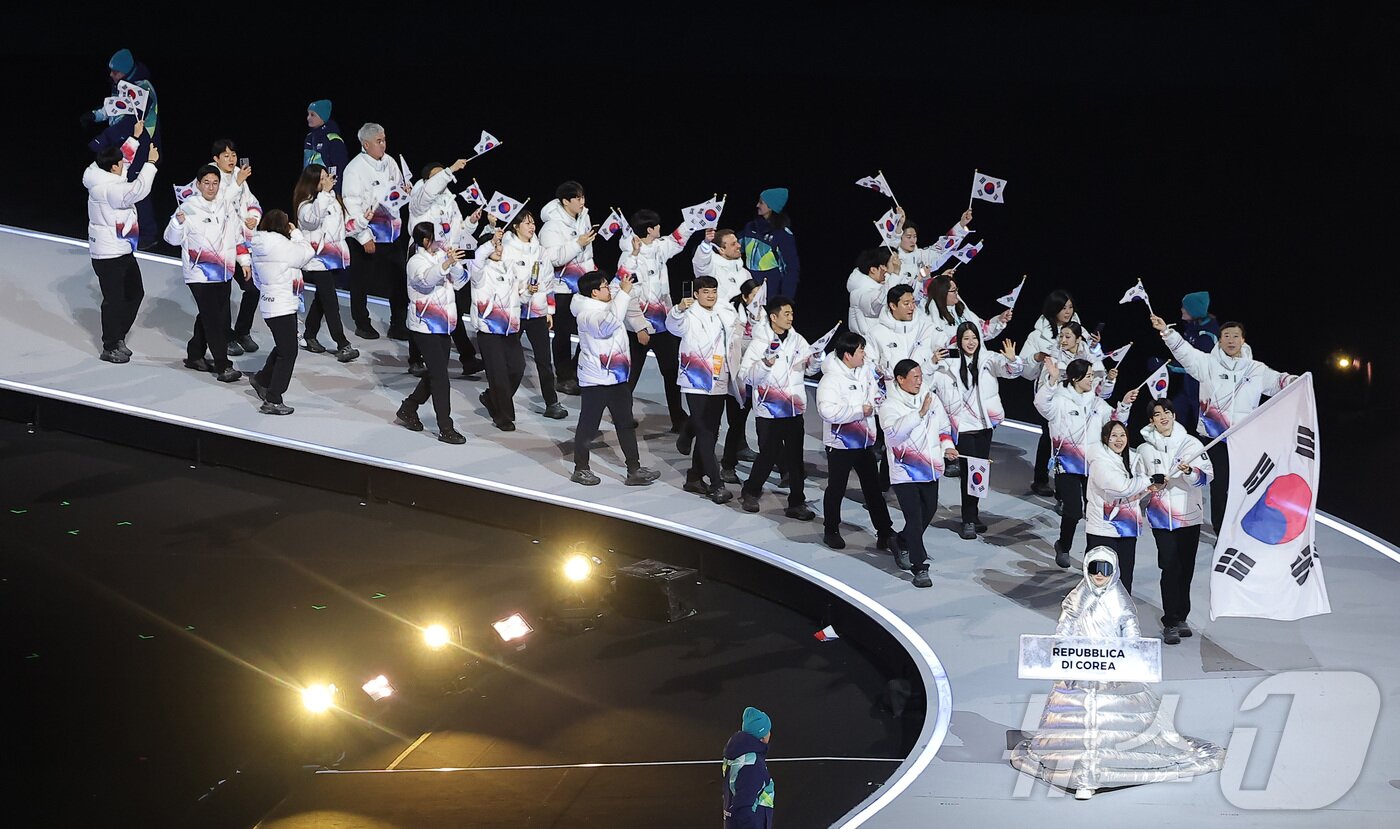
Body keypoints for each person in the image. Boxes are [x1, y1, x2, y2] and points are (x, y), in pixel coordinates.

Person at [1009, 545, 1226, 800]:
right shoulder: (1077, 597)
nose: (1099, 575)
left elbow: (1131, 631)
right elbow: (1064, 628)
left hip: (1113, 671)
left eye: (1105, 570)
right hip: (1080, 669)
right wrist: (1063, 652)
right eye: (1094, 569)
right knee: (1077, 719)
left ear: (1114, 571)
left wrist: (1127, 655)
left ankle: (1100, 770)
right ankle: (1082, 773)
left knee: (1112, 720)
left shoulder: (1119, 600)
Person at [1151, 313, 1296, 533]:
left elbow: (1278, 382)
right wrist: (1167, 333)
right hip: (1215, 439)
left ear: (1243, 340)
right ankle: (1222, 532)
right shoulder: (1207, 364)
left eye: (1235, 336)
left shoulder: (1256, 369)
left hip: (1244, 440)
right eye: (1226, 336)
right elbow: (1184, 352)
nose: (1230, 340)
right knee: (1220, 489)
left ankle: (1241, 529)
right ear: (1219, 340)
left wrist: (1296, 381)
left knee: (1245, 486)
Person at [1036, 359, 1136, 568]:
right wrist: (1052, 380)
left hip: (1094, 466)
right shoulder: (1060, 401)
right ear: (1075, 378)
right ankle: (1063, 546)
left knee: (1094, 514)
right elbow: (1041, 404)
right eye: (1089, 375)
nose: (1093, 379)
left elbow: (1115, 421)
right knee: (1073, 510)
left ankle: (1094, 557)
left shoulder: (1097, 403)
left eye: (1092, 375)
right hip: (1067, 465)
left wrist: (1125, 403)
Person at [929, 322, 1023, 539]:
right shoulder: (947, 365)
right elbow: (927, 382)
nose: (971, 343)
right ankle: (968, 519)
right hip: (962, 428)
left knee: (979, 473)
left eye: (974, 338)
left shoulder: (988, 359)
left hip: (984, 425)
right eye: (966, 339)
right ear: (959, 342)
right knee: (970, 471)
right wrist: (932, 362)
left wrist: (1012, 359)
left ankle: (973, 514)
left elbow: (1011, 372)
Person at [569, 271, 660, 487]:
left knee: (626, 423)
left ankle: (634, 469)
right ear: (594, 292)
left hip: (617, 379)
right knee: (588, 426)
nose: (609, 289)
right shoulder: (586, 314)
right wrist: (623, 295)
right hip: (596, 380)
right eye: (604, 287)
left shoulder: (608, 305)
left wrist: (626, 289)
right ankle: (580, 468)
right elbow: (608, 324)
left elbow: (620, 306)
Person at [1137, 399, 1214, 644]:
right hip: (1161, 518)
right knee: (1169, 567)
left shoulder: (1191, 444)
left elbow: (1207, 478)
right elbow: (1138, 481)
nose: (1163, 418)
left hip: (1189, 517)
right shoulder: (1144, 450)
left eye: (1167, 413)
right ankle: (1170, 621)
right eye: (1157, 415)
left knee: (1186, 568)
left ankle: (1182, 616)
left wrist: (1191, 472)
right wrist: (1152, 482)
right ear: (1151, 421)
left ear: (1174, 415)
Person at [83, 119, 158, 363]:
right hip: (109, 254)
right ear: (113, 168)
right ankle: (109, 346)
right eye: (120, 165)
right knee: (114, 300)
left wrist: (135, 139)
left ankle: (118, 336)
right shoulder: (110, 190)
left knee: (136, 293)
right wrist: (150, 164)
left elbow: (123, 160)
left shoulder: (100, 174)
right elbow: (139, 189)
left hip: (122, 248)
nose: (123, 166)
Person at [816, 331, 898, 552]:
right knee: (837, 487)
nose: (864, 354)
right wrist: (857, 411)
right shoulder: (831, 379)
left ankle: (885, 532)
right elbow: (827, 411)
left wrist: (884, 386)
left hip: (864, 442)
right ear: (847, 355)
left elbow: (876, 398)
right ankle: (831, 529)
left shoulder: (865, 373)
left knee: (872, 489)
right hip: (840, 444)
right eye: (861, 350)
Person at [880, 359, 958, 588]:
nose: (919, 380)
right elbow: (893, 436)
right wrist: (919, 413)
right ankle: (919, 566)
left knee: (928, 512)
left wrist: (947, 448)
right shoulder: (889, 406)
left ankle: (901, 541)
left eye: (920, 376)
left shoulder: (930, 398)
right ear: (900, 380)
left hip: (930, 469)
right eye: (914, 377)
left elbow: (943, 428)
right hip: (905, 472)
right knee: (914, 518)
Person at [739, 295, 818, 520]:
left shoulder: (798, 340)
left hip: (794, 410)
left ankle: (796, 502)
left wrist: (816, 360)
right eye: (786, 314)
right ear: (773, 317)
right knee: (768, 455)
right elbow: (745, 376)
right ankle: (750, 490)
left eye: (792, 314)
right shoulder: (759, 343)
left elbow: (810, 371)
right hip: (769, 411)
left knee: (795, 458)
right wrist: (764, 364)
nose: (790, 318)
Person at [406, 158, 485, 379]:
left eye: (445, 175)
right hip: (423, 254)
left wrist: (471, 221)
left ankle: (467, 358)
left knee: (450, 304)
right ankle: (415, 358)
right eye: (439, 175)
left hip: (446, 255)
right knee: (422, 305)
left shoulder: (450, 200)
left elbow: (457, 230)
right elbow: (430, 190)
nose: (445, 179)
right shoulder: (420, 197)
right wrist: (450, 169)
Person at [164, 164, 242, 383]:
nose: (211, 187)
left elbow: (236, 234)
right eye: (206, 183)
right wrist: (177, 223)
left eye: (215, 183)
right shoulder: (188, 207)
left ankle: (195, 355)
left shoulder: (225, 205)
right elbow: (171, 239)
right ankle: (223, 365)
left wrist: (244, 260)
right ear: (198, 185)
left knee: (211, 314)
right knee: (214, 319)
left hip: (223, 271)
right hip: (199, 272)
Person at [616, 210, 693, 432]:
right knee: (631, 374)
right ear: (649, 230)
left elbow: (676, 241)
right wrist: (640, 327)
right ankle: (622, 415)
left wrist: (694, 221)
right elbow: (628, 296)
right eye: (657, 226)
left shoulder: (658, 247)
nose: (661, 229)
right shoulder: (629, 257)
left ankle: (678, 418)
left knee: (671, 372)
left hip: (663, 324)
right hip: (639, 327)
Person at [394, 222, 469, 444]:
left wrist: (452, 264)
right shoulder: (415, 261)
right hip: (424, 326)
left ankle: (408, 408)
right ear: (426, 241)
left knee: (436, 373)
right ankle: (446, 427)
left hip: (444, 325)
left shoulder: (440, 256)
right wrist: (446, 263)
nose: (442, 241)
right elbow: (426, 281)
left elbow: (462, 282)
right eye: (438, 238)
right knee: (440, 378)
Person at [695, 232, 760, 475]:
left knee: (738, 402)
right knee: (714, 406)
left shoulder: (743, 272)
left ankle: (737, 447)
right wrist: (704, 243)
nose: (738, 246)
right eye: (732, 244)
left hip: (742, 343)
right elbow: (699, 264)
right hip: (720, 342)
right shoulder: (712, 263)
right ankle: (693, 438)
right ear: (720, 249)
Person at [669, 276, 738, 504]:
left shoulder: (723, 313)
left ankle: (694, 477)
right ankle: (717, 485)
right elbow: (673, 326)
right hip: (696, 378)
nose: (711, 295)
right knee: (707, 434)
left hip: (719, 379)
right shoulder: (688, 314)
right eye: (706, 291)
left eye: (714, 291)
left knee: (711, 430)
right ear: (696, 294)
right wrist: (678, 308)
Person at [495, 209, 568, 421]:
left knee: (545, 361)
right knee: (509, 362)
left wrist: (549, 310)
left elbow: (547, 281)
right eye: (526, 223)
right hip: (515, 312)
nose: (531, 226)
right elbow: (504, 281)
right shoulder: (507, 249)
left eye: (532, 222)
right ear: (516, 226)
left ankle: (551, 402)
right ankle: (498, 399)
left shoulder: (540, 250)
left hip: (537, 312)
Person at [83, 48, 160, 250]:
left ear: (126, 71)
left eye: (115, 72)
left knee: (137, 187)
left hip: (143, 145)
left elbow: (129, 122)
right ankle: (125, 230)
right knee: (119, 188)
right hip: (124, 145)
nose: (111, 75)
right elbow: (114, 108)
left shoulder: (143, 90)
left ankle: (148, 233)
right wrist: (94, 115)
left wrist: (102, 140)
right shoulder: (121, 86)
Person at [342, 122, 410, 340]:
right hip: (367, 234)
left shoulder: (390, 162)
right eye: (379, 141)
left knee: (398, 280)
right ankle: (362, 323)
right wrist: (364, 237)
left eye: (384, 139)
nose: (383, 144)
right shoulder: (354, 168)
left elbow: (397, 191)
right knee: (361, 281)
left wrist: (405, 191)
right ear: (366, 144)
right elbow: (351, 204)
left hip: (392, 233)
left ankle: (398, 324)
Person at [246, 210, 315, 415]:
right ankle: (273, 399)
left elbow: (258, 280)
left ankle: (262, 379)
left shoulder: (258, 245)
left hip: (271, 303)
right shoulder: (282, 245)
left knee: (284, 346)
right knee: (289, 352)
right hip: (282, 305)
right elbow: (307, 253)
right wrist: (296, 234)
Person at [1019, 290, 1087, 497]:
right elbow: (1025, 370)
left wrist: (1090, 346)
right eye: (1063, 308)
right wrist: (1038, 357)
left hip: (1074, 394)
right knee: (1050, 436)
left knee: (1071, 440)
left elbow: (1088, 362)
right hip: (1050, 393)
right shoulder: (1037, 336)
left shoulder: (1079, 331)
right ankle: (1041, 479)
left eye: (1070, 307)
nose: (1067, 312)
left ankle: (1065, 489)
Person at [292, 164, 360, 362]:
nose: (326, 181)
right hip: (317, 260)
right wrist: (325, 194)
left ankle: (310, 334)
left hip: (333, 257)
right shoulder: (305, 205)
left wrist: (363, 221)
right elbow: (313, 221)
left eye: (326, 177)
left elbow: (342, 227)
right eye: (321, 179)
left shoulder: (331, 199)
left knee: (323, 299)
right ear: (312, 182)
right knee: (331, 302)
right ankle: (342, 343)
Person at [538, 181, 599, 395]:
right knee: (563, 334)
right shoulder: (551, 226)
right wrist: (578, 243)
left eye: (583, 197)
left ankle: (576, 369)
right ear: (566, 201)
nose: (582, 202)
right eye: (578, 198)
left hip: (584, 286)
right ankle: (563, 377)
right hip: (562, 287)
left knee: (589, 328)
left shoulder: (584, 218)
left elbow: (587, 254)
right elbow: (553, 259)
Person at [1085, 421, 1160, 594]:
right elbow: (1121, 488)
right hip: (1103, 531)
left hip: (1127, 530)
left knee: (1125, 580)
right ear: (1105, 439)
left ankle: (1120, 617)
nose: (1119, 440)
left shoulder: (1131, 461)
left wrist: (1148, 489)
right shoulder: (1100, 462)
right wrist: (1148, 480)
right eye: (1114, 436)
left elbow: (1130, 495)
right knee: (1100, 580)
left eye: (1122, 435)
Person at [208, 139, 264, 356]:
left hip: (240, 243)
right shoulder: (210, 176)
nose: (231, 159)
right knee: (222, 295)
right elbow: (217, 205)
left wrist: (253, 217)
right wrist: (237, 183)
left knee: (253, 288)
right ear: (216, 159)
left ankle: (242, 331)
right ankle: (225, 337)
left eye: (233, 155)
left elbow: (252, 202)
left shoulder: (239, 174)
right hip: (219, 245)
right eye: (226, 155)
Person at [469, 226, 528, 431]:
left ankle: (491, 397)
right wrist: (491, 241)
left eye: (500, 245)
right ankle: (503, 416)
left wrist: (528, 292)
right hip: (489, 330)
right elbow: (477, 257)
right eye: (495, 245)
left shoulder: (509, 267)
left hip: (510, 329)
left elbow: (518, 297)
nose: (499, 248)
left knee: (518, 368)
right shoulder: (479, 271)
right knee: (498, 374)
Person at [921, 274, 1012, 359]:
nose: (957, 293)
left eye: (956, 289)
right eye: (953, 291)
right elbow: (939, 351)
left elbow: (982, 331)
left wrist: (1000, 320)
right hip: (952, 370)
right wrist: (963, 350)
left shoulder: (963, 311)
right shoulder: (932, 318)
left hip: (977, 364)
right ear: (942, 293)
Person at [1167, 291, 1220, 436]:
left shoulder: (1208, 336)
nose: (1182, 309)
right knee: (1174, 415)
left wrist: (1169, 366)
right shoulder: (1192, 326)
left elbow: (1198, 366)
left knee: (1204, 429)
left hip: (1203, 391)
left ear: (1194, 311)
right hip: (1189, 386)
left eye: (1185, 307)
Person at [889, 207, 971, 288]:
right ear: (900, 237)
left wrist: (961, 224)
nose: (913, 241)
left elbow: (940, 250)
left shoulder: (920, 254)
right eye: (909, 237)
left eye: (915, 236)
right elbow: (892, 242)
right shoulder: (891, 257)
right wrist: (899, 225)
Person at [722, 706, 775, 829]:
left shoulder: (737, 754)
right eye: (768, 730)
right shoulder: (753, 765)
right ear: (762, 736)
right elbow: (744, 806)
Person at [740, 188, 799, 298]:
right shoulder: (750, 227)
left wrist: (785, 299)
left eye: (761, 203)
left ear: (771, 207)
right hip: (748, 290)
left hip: (770, 294)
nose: (757, 205)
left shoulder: (783, 235)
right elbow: (734, 246)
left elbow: (791, 270)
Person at [845, 248, 892, 338]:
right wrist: (895, 276)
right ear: (873, 270)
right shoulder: (864, 292)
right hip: (869, 346)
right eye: (883, 266)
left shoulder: (874, 286)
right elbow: (881, 301)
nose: (886, 270)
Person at [302, 100, 348, 191]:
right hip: (310, 189)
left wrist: (335, 191)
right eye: (308, 114)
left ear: (323, 117)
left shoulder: (333, 139)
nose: (308, 118)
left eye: (312, 115)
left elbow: (338, 168)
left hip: (326, 190)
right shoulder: (309, 138)